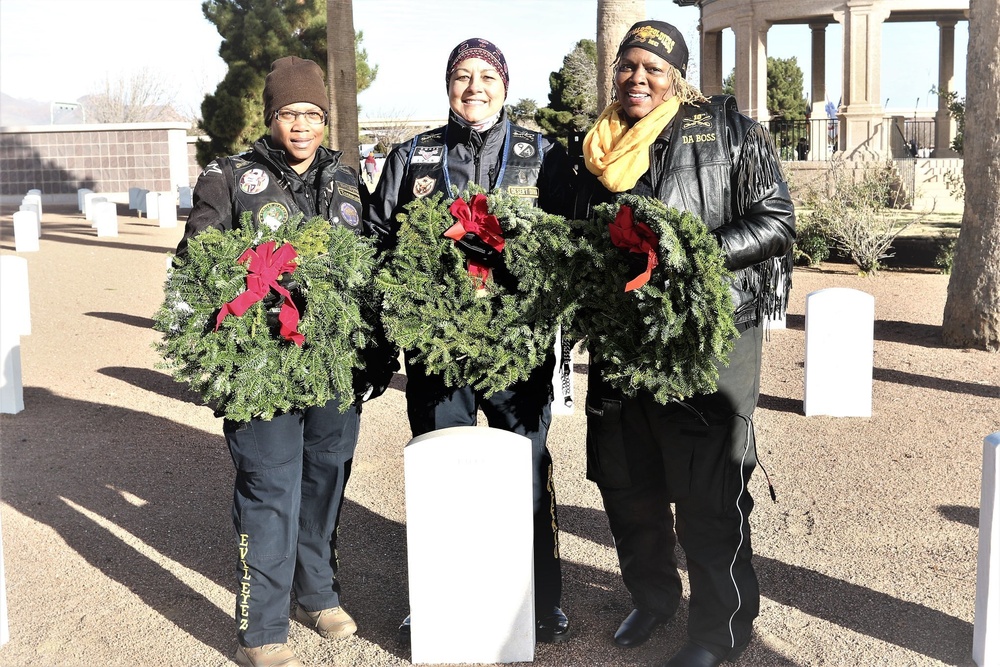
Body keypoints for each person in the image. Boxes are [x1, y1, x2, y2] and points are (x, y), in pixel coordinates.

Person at [569, 21, 795, 667]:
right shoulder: (595, 148)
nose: (637, 77)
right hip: (623, 337)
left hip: (709, 336)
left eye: (653, 67)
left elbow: (776, 220)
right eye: (627, 65)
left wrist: (689, 257)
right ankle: (652, 596)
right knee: (626, 480)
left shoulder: (731, 134)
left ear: (678, 76)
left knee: (708, 489)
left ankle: (718, 630)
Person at [177, 56, 394, 667]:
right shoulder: (229, 177)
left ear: (326, 118)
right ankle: (263, 629)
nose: (301, 125)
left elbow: (372, 271)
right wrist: (228, 353)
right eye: (289, 113)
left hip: (334, 369)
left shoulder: (348, 181)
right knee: (269, 487)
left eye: (313, 114)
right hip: (263, 369)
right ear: (271, 117)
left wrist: (374, 353)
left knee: (326, 478)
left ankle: (316, 593)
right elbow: (196, 265)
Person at [366, 37, 572, 645]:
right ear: (447, 85)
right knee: (440, 468)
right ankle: (436, 593)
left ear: (506, 85)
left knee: (528, 469)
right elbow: (379, 244)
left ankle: (541, 598)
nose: (474, 86)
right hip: (437, 353)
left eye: (486, 75)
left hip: (517, 347)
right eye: (462, 75)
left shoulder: (543, 153)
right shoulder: (414, 156)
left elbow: (567, 245)